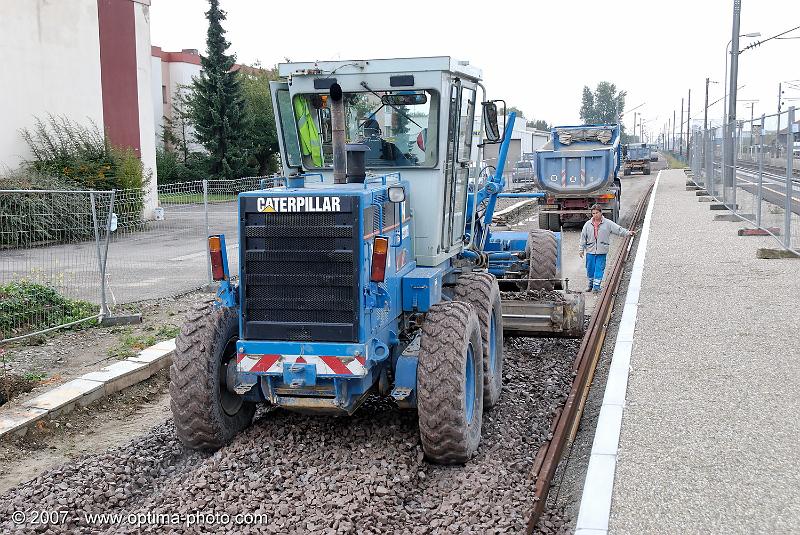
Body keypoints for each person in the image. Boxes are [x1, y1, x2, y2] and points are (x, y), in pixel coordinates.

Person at [578, 204, 636, 293]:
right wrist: (581, 249)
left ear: (601, 213)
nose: (595, 215)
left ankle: (596, 287)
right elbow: (583, 237)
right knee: (590, 269)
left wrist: (628, 233)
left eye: (597, 213)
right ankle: (590, 284)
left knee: (599, 268)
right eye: (593, 213)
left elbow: (618, 229)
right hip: (590, 251)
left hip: (602, 251)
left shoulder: (607, 223)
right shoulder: (587, 225)